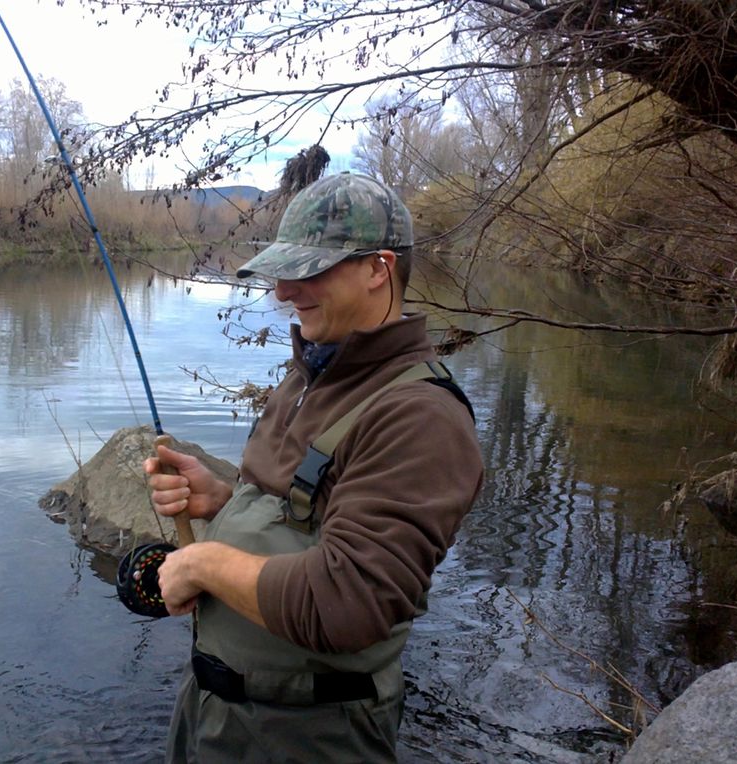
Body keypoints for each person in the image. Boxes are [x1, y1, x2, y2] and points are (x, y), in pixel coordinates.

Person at [144, 172, 484, 762]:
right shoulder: (313, 370)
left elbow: (348, 601)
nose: (284, 292)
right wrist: (224, 503)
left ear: (378, 269)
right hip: (213, 715)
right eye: (283, 271)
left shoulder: (421, 417)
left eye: (310, 271)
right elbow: (311, 517)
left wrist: (202, 560)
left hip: (307, 737)